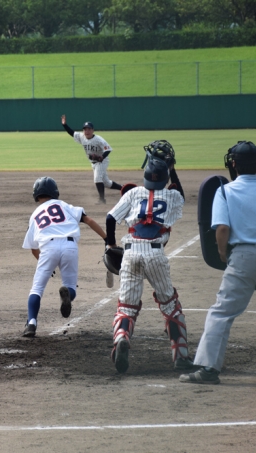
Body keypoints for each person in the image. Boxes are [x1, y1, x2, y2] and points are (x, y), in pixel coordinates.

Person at [180, 141, 256, 385]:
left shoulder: (226, 191)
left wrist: (223, 252)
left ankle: (209, 369)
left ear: (233, 164)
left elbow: (222, 228)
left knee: (222, 312)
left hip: (244, 257)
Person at [105, 141, 194, 373]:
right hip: (155, 254)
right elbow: (180, 194)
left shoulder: (133, 193)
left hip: (131, 252)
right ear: (166, 177)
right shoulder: (172, 196)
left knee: (126, 307)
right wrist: (172, 168)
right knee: (170, 305)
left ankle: (122, 338)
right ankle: (180, 355)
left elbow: (110, 218)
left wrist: (110, 244)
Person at [22, 176, 108, 337]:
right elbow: (88, 220)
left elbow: (33, 249)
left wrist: (46, 264)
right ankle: (67, 293)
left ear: (36, 195)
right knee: (70, 286)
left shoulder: (35, 215)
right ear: (55, 192)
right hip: (70, 246)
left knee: (37, 289)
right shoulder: (64, 206)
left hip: (48, 248)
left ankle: (31, 323)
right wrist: (107, 239)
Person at [61, 115, 122, 204]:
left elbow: (108, 149)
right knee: (106, 183)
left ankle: (102, 200)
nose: (87, 131)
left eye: (89, 129)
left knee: (97, 179)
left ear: (93, 130)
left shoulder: (98, 139)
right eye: (85, 129)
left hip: (102, 161)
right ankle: (124, 188)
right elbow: (72, 133)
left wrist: (101, 157)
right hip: (93, 163)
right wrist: (64, 125)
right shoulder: (82, 137)